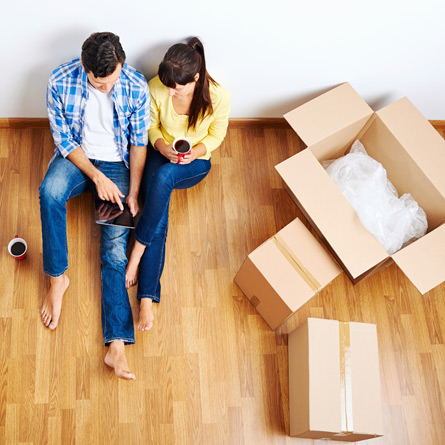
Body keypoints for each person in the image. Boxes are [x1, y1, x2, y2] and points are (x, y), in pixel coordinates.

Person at [39, 32, 150, 380]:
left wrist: (132, 191)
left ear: (121, 63)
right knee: (49, 192)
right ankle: (57, 279)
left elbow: (138, 142)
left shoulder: (135, 85)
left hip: (118, 165)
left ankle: (116, 344)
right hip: (78, 159)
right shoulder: (59, 80)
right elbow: (65, 140)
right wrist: (95, 177)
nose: (107, 89)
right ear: (85, 68)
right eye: (99, 83)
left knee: (114, 247)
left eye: (112, 81)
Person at [125, 37, 230, 330]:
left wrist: (193, 153)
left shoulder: (219, 97)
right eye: (167, 85)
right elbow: (150, 126)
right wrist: (160, 147)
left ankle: (136, 252)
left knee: (162, 179)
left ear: (196, 79)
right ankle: (146, 298)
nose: (171, 91)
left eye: (178, 87)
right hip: (162, 152)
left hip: (194, 161)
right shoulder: (156, 87)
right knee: (159, 207)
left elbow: (216, 137)